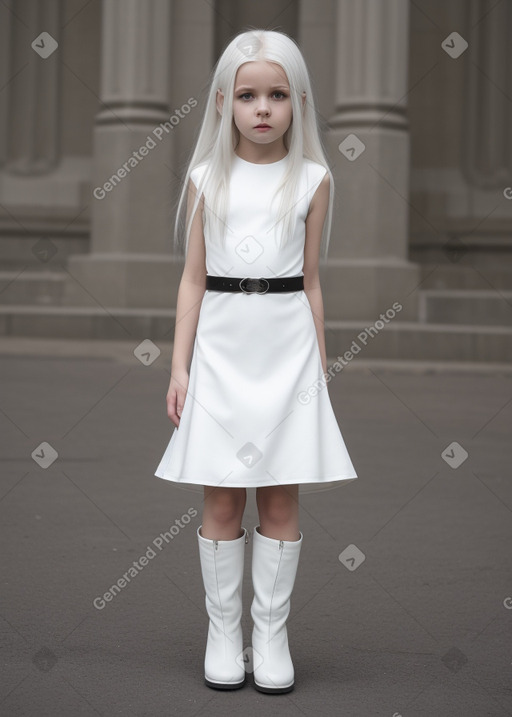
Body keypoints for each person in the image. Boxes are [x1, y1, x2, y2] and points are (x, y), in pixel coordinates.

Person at [154, 28, 358, 693]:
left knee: (280, 490)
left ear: (298, 101)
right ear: (222, 102)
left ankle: (270, 633)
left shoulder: (314, 178)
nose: (262, 108)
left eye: (276, 95)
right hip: (220, 345)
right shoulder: (205, 176)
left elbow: (312, 280)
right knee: (220, 491)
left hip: (286, 347)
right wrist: (179, 365)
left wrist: (319, 368)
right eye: (247, 95)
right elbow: (191, 278)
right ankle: (223, 632)